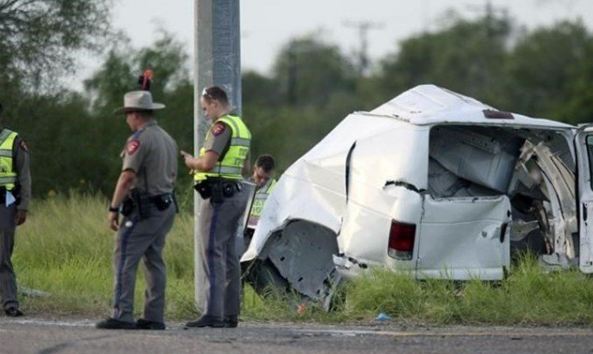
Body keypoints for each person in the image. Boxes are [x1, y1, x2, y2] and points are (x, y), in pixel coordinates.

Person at [96, 91, 178, 330]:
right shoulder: (167, 138)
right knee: (154, 259)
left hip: (145, 208)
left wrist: (114, 207)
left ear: (136, 115)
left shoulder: (139, 140)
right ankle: (154, 316)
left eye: (127, 114)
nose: (126, 120)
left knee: (124, 257)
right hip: (166, 206)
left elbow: (127, 176)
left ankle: (122, 313)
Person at [181, 86, 251, 328]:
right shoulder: (241, 126)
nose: (204, 114)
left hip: (220, 199)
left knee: (212, 252)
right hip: (236, 194)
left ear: (214, 102)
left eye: (204, 108)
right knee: (229, 254)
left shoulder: (221, 127)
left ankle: (213, 313)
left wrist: (192, 161)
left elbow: (208, 163)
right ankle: (230, 313)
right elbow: (244, 167)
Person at [0, 102, 31, 317]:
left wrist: (23, 207)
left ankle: (10, 302)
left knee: (2, 255)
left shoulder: (13, 140)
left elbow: (24, 176)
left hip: (6, 203)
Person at [245, 154, 277, 239]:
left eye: (266, 178)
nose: (262, 181)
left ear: (272, 173)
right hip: (242, 229)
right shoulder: (244, 186)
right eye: (259, 177)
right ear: (254, 168)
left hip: (261, 234)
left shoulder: (276, 189)